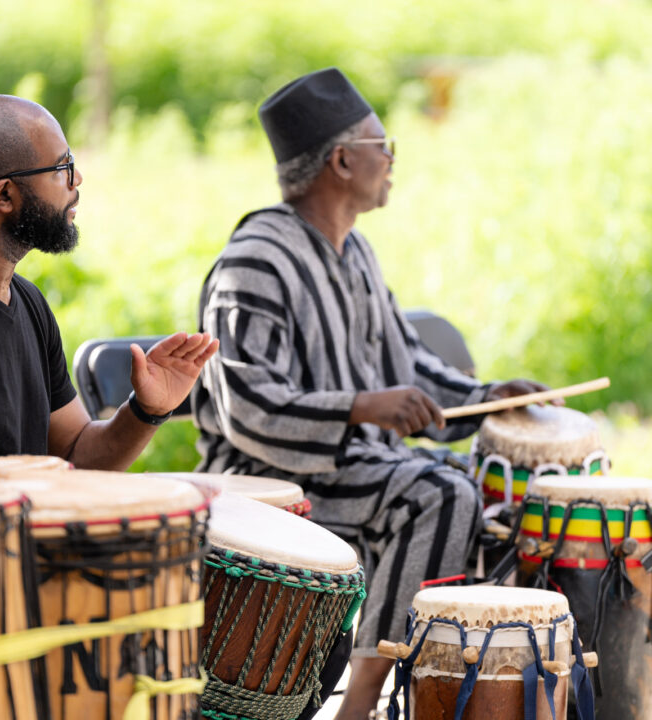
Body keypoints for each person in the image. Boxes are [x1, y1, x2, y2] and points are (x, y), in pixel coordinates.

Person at [192, 68, 551, 719]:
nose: (391, 162)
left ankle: (459, 691)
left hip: (352, 466)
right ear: (342, 160)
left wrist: (488, 396)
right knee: (437, 496)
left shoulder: (354, 252)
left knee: (486, 486)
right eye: (383, 146)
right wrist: (359, 408)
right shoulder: (255, 259)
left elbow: (405, 365)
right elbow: (246, 408)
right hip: (267, 475)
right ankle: (362, 705)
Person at [0, 94, 218, 468]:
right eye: (61, 167)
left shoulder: (29, 301)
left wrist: (146, 410)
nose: (77, 179)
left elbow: (75, 455)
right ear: (4, 195)